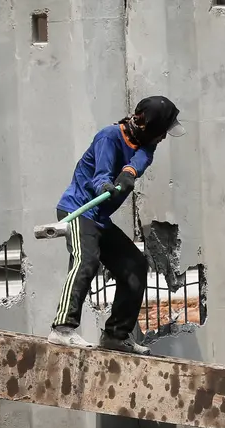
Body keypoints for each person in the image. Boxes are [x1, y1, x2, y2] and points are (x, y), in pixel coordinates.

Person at [48, 96, 182, 354]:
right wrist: (105, 185)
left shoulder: (146, 143)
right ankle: (62, 329)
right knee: (86, 260)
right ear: (150, 128)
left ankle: (115, 336)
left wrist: (130, 172)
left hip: (99, 218)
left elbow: (142, 158)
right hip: (78, 210)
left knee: (134, 265)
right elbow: (100, 175)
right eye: (163, 131)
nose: (164, 137)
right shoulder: (108, 137)